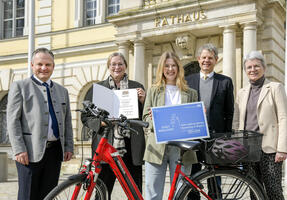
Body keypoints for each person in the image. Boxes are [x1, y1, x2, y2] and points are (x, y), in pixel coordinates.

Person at [7, 47, 74, 200]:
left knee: (49, 196)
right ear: (32, 65)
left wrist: (68, 146)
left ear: (53, 67)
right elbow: (12, 121)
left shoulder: (62, 90)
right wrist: (18, 149)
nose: (44, 68)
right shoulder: (20, 87)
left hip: (55, 152)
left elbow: (67, 120)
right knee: (28, 196)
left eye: (48, 65)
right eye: (39, 64)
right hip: (28, 153)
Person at [83, 52, 146, 199]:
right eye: (113, 64)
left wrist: (143, 100)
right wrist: (101, 123)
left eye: (120, 64)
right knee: (102, 192)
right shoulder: (97, 89)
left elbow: (145, 117)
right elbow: (85, 116)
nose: (117, 67)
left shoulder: (136, 87)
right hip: (105, 148)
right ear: (108, 67)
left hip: (131, 148)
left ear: (125, 66)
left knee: (134, 192)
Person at [233, 51, 287, 200]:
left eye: (256, 66)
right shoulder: (241, 92)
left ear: (264, 68)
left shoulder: (275, 88)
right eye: (249, 67)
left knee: (273, 189)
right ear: (245, 70)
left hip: (270, 148)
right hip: (248, 148)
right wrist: (237, 146)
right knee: (254, 190)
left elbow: (283, 118)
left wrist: (282, 149)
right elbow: (237, 121)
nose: (253, 70)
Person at [143, 51, 198, 200]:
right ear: (162, 68)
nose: (170, 69)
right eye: (167, 66)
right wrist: (155, 121)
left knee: (180, 192)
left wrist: (198, 114)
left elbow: (193, 121)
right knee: (152, 192)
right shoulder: (153, 90)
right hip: (156, 146)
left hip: (181, 149)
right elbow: (145, 118)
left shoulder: (191, 92)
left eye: (174, 65)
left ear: (179, 68)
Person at [185, 43, 234, 198]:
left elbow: (229, 111)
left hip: (215, 138)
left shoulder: (225, 82)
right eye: (204, 57)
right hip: (193, 136)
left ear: (216, 60)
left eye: (210, 58)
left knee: (214, 177)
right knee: (193, 175)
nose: (206, 60)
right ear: (198, 59)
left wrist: (226, 137)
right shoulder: (187, 80)